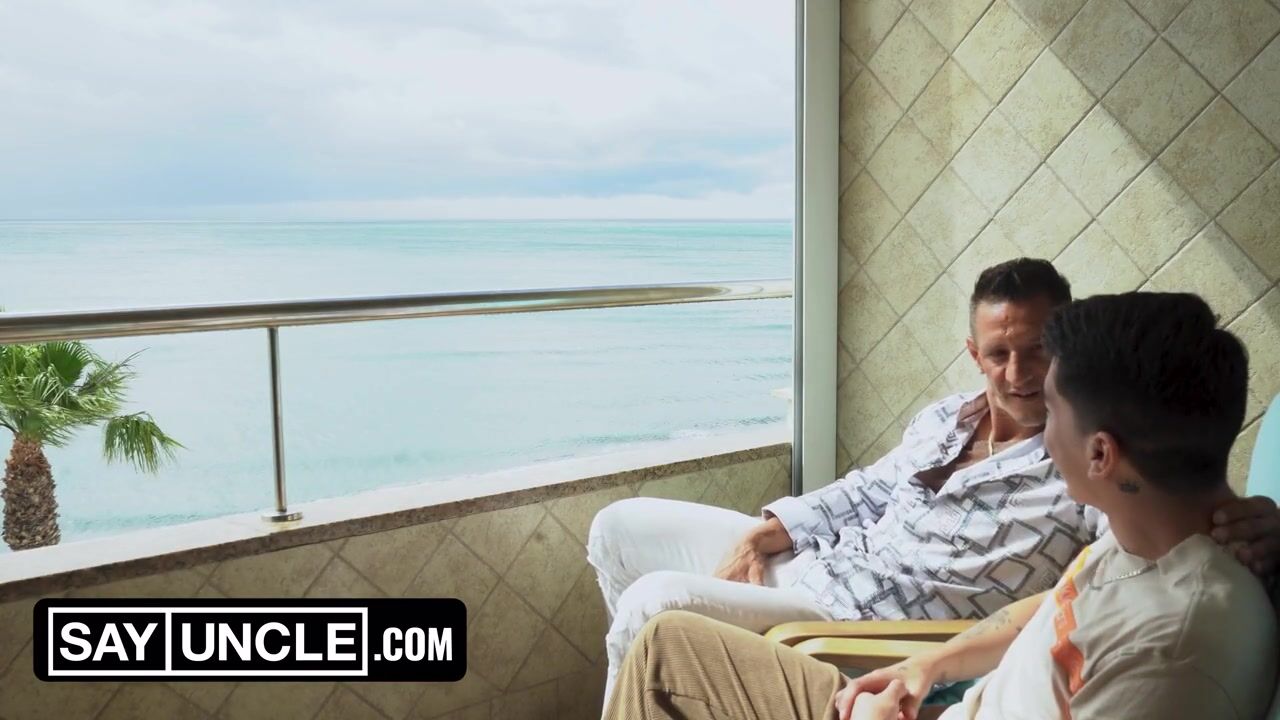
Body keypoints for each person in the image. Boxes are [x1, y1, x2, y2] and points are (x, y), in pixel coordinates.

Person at [587, 259, 1280, 706]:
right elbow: (868, 490)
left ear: (1099, 450)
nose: (1021, 378)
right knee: (618, 528)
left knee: (655, 610)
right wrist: (772, 531)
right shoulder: (954, 421)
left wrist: (1257, 532)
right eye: (999, 354)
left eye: (1041, 359)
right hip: (833, 564)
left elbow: (1173, 520)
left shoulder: (1102, 501)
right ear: (975, 353)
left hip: (857, 621)